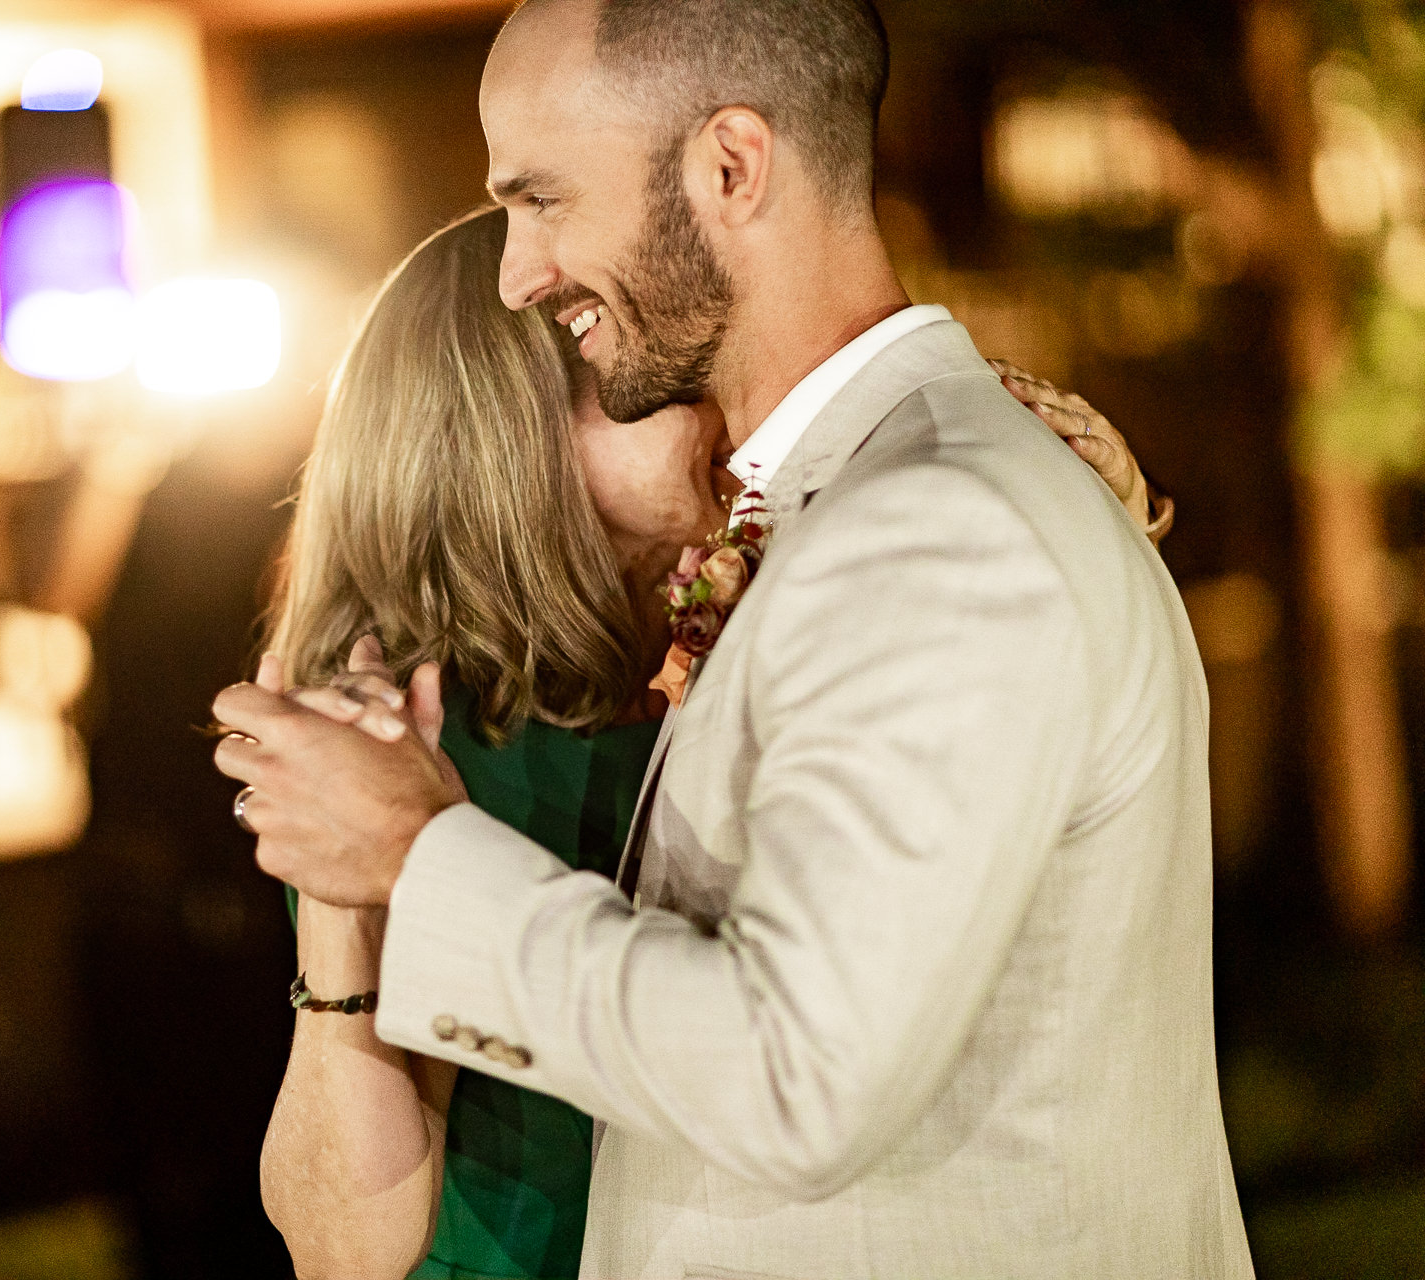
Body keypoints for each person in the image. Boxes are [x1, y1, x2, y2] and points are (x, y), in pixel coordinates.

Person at [216, 0, 1252, 1275]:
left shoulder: (929, 526)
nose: (518, 269)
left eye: (546, 202)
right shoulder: (826, 546)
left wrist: (414, 852)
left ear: (730, 166)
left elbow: (796, 1070)